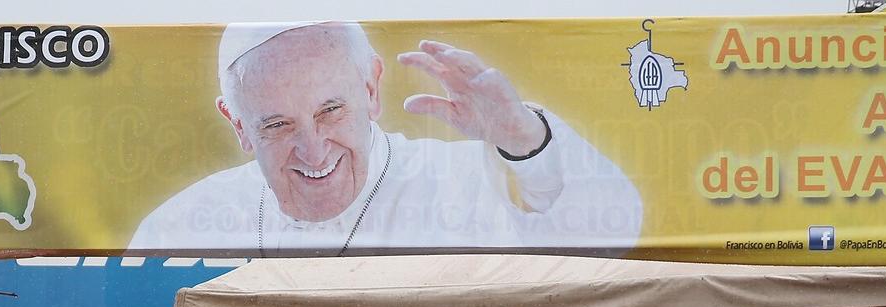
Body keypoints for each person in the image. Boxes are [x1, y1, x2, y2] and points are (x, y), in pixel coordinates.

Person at [129, 21, 643, 257]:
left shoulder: (458, 181)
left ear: (371, 88)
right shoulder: (182, 225)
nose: (313, 151)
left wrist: (523, 138)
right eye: (276, 125)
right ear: (238, 124)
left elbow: (614, 232)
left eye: (331, 111)